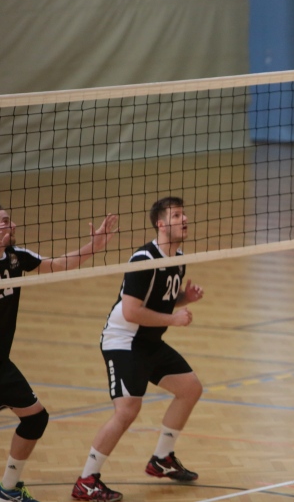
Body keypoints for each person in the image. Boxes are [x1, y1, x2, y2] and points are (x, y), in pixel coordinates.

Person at [71, 197, 204, 502]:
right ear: (161, 224)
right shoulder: (143, 259)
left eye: (184, 214)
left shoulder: (177, 257)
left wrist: (185, 298)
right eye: (176, 215)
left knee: (190, 388)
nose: (184, 219)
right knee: (127, 410)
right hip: (123, 341)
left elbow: (161, 299)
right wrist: (174, 319)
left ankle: (162, 459)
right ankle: (86, 481)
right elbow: (132, 311)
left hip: (148, 342)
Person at [0, 202, 118, 502]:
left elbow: (57, 264)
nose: (13, 225)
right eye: (5, 221)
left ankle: (7, 489)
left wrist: (93, 247)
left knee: (36, 418)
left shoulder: (16, 257)